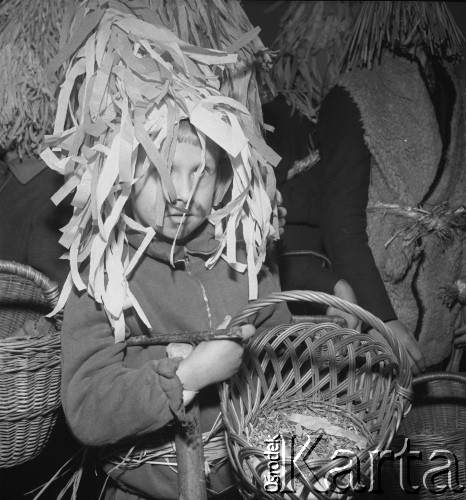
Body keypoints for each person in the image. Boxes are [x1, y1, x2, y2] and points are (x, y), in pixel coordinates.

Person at [39, 4, 290, 498]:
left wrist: (279, 471)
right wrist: (187, 375)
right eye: (161, 170)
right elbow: (87, 409)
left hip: (240, 483)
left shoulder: (243, 258)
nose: (182, 193)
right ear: (125, 173)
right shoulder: (106, 274)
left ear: (223, 180)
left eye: (201, 172)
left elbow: (283, 353)